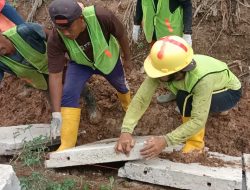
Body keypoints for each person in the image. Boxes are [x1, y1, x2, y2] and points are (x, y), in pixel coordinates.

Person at [115, 36, 241, 159]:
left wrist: (165, 141)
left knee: (185, 98)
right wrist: (126, 130)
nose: (155, 76)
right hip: (209, 86)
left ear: (177, 72)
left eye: (160, 74)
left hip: (229, 92)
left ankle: (196, 145)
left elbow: (198, 120)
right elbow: (141, 99)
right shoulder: (167, 67)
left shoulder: (202, 80)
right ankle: (212, 107)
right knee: (183, 96)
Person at [48, 0, 132, 151]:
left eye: (69, 28)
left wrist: (127, 59)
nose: (66, 33)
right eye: (61, 29)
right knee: (68, 94)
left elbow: (121, 34)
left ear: (80, 19)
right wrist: (56, 114)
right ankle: (66, 145)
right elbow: (55, 75)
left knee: (121, 85)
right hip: (81, 65)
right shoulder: (56, 38)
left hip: (108, 60)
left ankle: (128, 108)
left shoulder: (101, 16)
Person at [0, 19, 98, 140]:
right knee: (56, 106)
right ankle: (68, 131)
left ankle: (90, 101)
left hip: (56, 66)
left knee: (76, 86)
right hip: (39, 80)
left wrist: (66, 54)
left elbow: (53, 36)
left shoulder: (24, 31)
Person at [132, 0, 193, 104]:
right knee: (163, 65)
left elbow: (187, 5)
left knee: (176, 67)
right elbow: (140, 2)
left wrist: (187, 32)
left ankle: (182, 96)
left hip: (170, 34)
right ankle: (171, 89)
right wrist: (136, 23)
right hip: (152, 31)